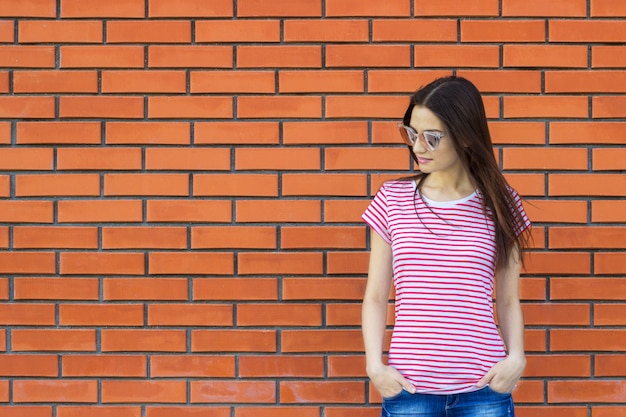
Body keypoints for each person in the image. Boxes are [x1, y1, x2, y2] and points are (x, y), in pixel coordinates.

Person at [361, 76, 531, 417]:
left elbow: (509, 299)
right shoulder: (393, 200)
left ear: (466, 138)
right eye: (410, 134)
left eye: (432, 138)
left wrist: (517, 358)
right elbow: (376, 295)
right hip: (410, 390)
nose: (418, 148)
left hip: (485, 390)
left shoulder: (501, 205)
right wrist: (374, 366)